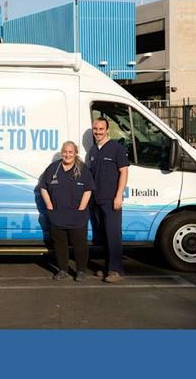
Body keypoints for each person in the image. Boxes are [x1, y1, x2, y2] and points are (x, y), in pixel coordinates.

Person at [40, 141, 94, 282]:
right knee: (60, 245)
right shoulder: (53, 168)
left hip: (77, 216)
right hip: (57, 215)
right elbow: (43, 187)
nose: (67, 154)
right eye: (65, 151)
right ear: (61, 152)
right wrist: (50, 206)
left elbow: (88, 190)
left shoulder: (82, 169)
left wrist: (81, 208)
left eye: (70, 152)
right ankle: (63, 270)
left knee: (80, 245)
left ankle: (81, 271)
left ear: (75, 153)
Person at [87, 117, 130, 283]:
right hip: (96, 200)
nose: (98, 132)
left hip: (111, 199)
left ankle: (116, 270)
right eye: (95, 129)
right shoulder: (93, 151)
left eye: (101, 129)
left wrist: (119, 195)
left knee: (113, 235)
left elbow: (124, 172)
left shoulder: (116, 149)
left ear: (107, 130)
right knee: (103, 236)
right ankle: (107, 267)